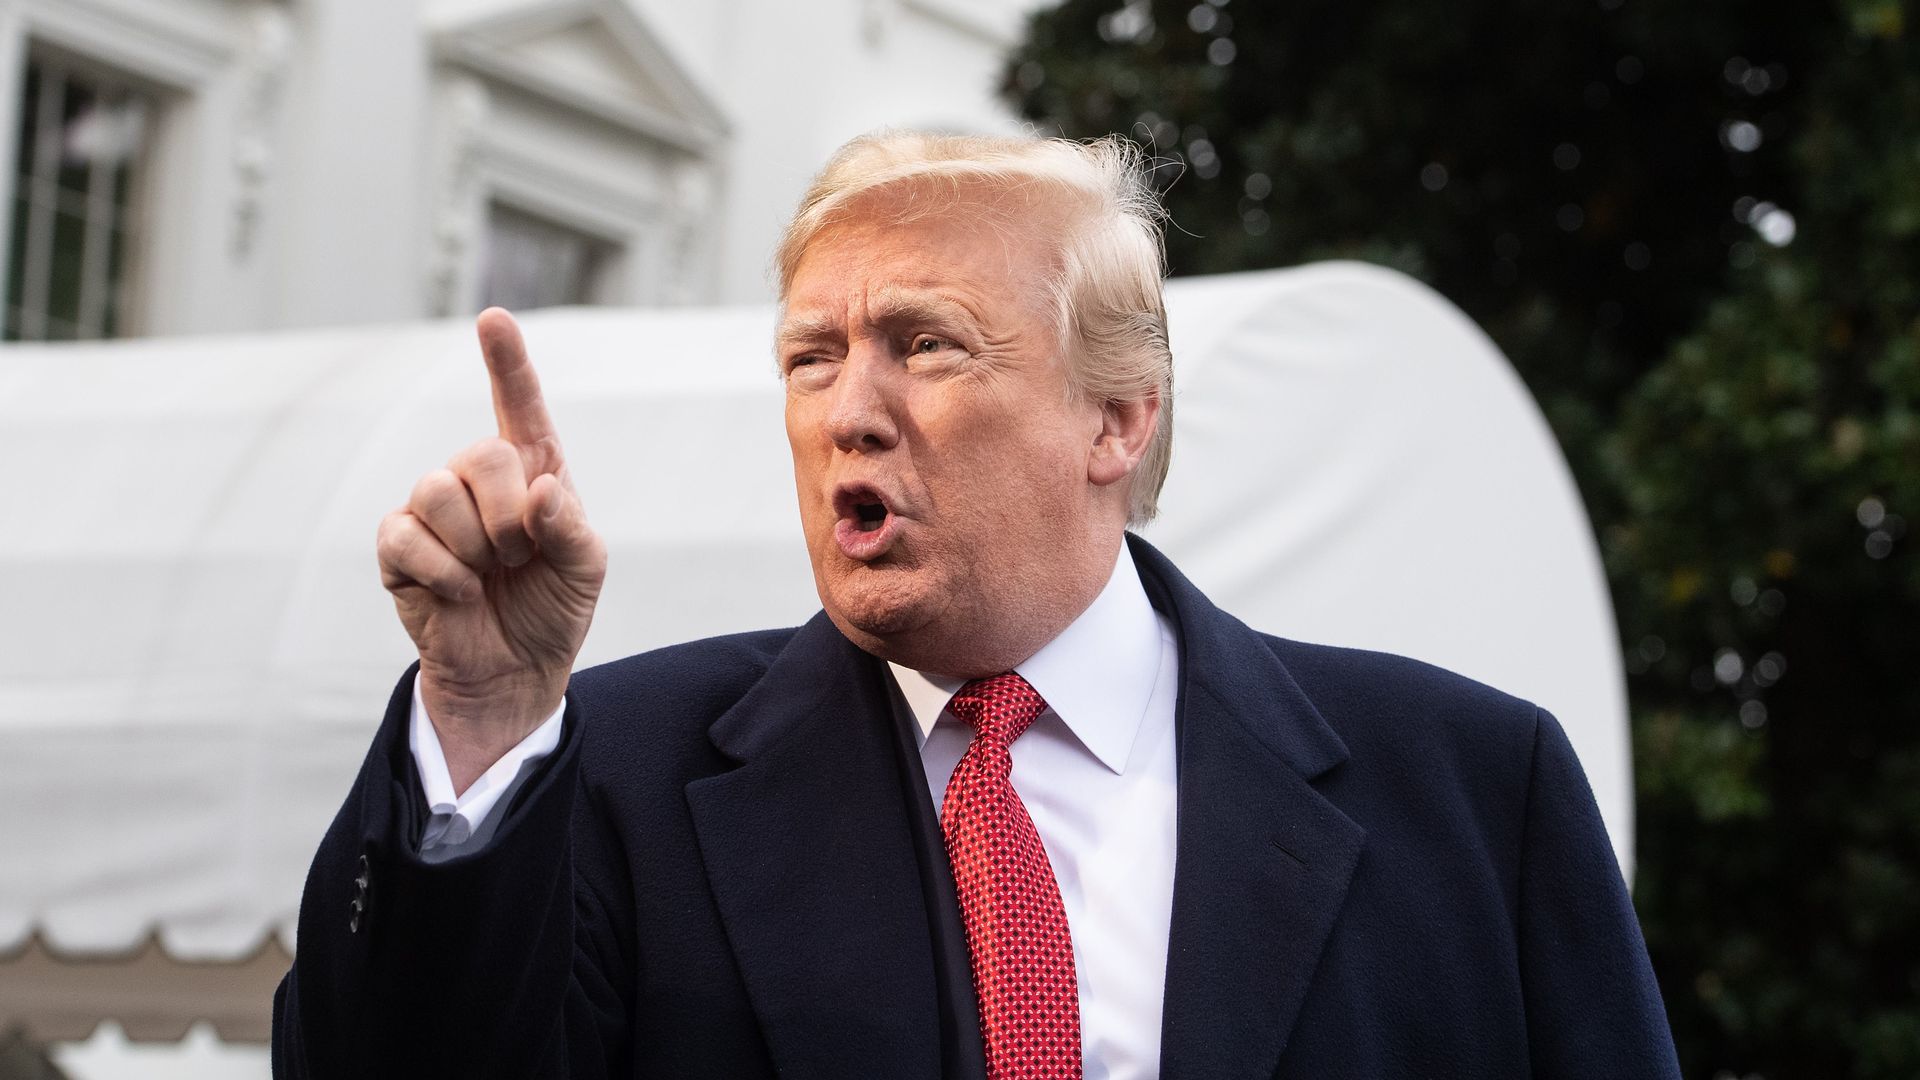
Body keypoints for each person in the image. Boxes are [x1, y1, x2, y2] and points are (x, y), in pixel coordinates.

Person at [272, 131, 1682, 1079]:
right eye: (811, 357)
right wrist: (483, 713)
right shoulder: (612, 777)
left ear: (1117, 418)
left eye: (923, 344)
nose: (850, 412)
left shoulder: (1475, 793)